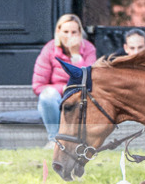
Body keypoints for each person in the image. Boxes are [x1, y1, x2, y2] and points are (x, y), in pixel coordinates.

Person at [32, 13, 97, 146]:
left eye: (74, 32)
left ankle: (75, 141)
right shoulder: (49, 49)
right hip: (56, 98)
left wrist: (76, 56)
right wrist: (63, 89)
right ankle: (55, 140)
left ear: (80, 33)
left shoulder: (89, 49)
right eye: (66, 32)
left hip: (80, 96)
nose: (69, 36)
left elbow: (89, 81)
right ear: (58, 32)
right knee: (47, 96)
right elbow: (38, 85)